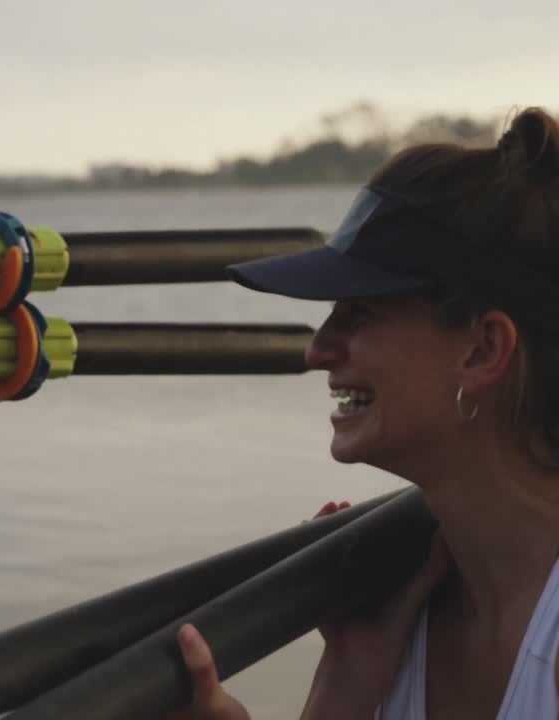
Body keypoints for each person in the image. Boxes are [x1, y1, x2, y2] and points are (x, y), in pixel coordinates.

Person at [168, 106, 559, 719]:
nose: (317, 349)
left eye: (359, 315)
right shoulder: (392, 620)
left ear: (483, 350)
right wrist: (346, 681)